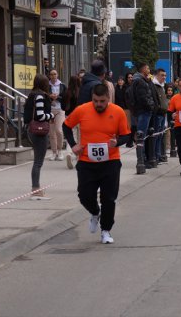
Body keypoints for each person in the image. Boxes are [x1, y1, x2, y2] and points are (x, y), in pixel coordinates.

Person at [63, 83, 130, 244]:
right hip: (87, 162)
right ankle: (95, 212)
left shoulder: (118, 112)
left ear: (108, 98)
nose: (98, 104)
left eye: (102, 101)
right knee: (84, 195)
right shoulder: (82, 110)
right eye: (95, 101)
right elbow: (66, 126)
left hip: (110, 162)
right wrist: (73, 145)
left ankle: (106, 230)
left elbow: (127, 135)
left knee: (109, 198)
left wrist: (117, 142)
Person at [24, 74, 54, 200]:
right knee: (38, 162)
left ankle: (36, 188)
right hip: (39, 131)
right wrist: (51, 116)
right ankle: (35, 190)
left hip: (32, 129)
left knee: (37, 161)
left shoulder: (32, 95)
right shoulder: (40, 96)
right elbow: (40, 116)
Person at [130, 63, 158, 167]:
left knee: (144, 135)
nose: (149, 69)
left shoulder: (143, 80)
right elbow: (143, 98)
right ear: (142, 69)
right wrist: (151, 106)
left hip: (143, 111)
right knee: (142, 136)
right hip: (143, 111)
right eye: (147, 68)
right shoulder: (140, 81)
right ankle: (142, 160)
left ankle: (145, 158)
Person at [48, 69, 67, 161]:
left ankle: (60, 151)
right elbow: (44, 95)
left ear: (57, 75)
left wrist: (57, 97)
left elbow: (65, 97)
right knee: (52, 132)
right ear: (49, 76)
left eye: (55, 74)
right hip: (50, 110)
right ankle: (54, 152)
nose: (53, 76)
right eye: (51, 74)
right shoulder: (47, 85)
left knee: (59, 130)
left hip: (60, 110)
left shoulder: (62, 85)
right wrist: (50, 97)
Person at [63, 75, 81, 169]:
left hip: (68, 116)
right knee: (79, 137)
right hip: (79, 116)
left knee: (70, 136)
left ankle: (69, 152)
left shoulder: (67, 92)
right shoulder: (80, 92)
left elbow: (62, 106)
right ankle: (78, 157)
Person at [152, 69, 169, 164]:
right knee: (156, 135)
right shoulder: (154, 85)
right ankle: (155, 155)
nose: (164, 77)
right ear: (157, 75)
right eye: (162, 75)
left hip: (163, 113)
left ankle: (158, 155)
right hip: (158, 114)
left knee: (160, 135)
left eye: (165, 75)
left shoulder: (162, 85)